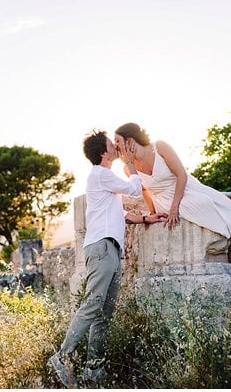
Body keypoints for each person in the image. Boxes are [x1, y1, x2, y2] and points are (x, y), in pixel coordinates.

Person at [49, 130, 166, 388]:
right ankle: (62, 356)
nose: (115, 146)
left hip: (109, 249)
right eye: (110, 145)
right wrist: (131, 164)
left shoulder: (103, 180)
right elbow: (135, 190)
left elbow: (120, 212)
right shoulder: (101, 174)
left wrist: (146, 218)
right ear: (103, 153)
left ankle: (94, 368)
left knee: (104, 313)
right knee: (94, 303)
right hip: (101, 248)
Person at [113, 122, 231, 283]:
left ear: (130, 140)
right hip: (163, 198)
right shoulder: (128, 169)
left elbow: (182, 174)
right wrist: (152, 212)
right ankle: (224, 261)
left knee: (230, 208)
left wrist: (175, 208)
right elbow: (145, 190)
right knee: (204, 203)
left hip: (184, 187)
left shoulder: (159, 147)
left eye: (117, 140)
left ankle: (230, 262)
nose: (115, 145)